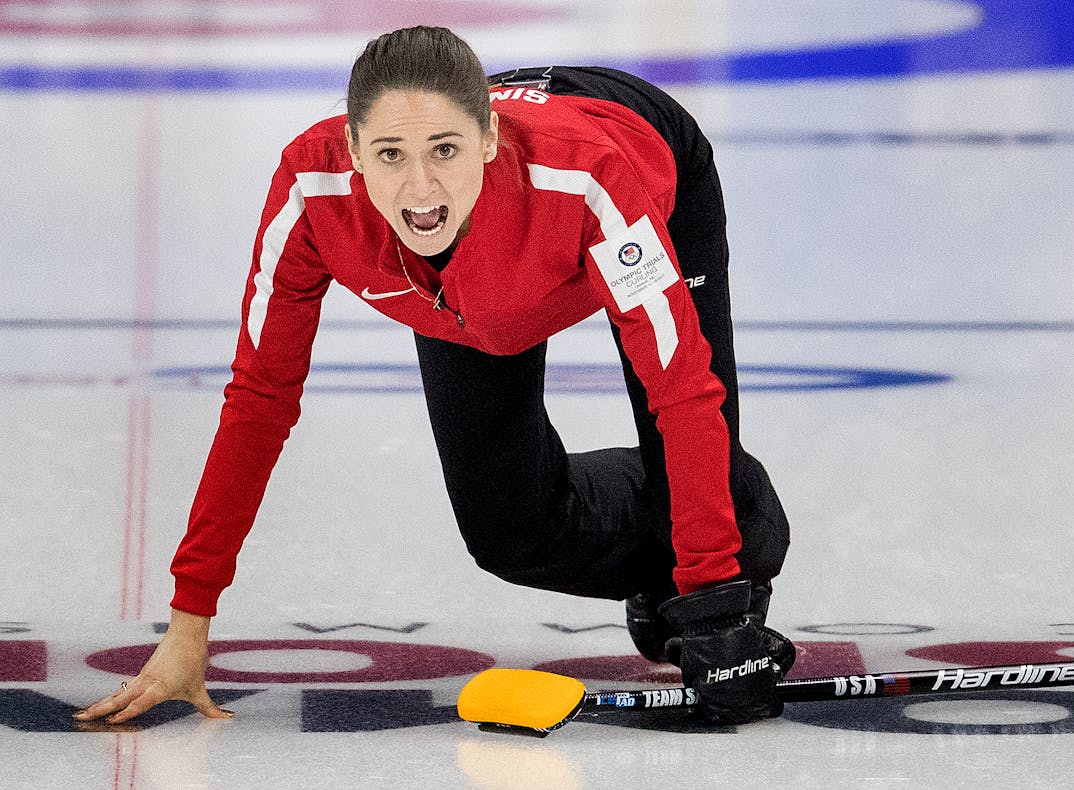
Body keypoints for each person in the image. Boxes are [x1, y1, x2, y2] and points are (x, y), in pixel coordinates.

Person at [76, 25, 792, 727]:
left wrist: (713, 602)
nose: (420, 188)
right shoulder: (310, 193)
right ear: (352, 150)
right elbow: (259, 400)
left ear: (487, 139)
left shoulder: (589, 180)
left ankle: (729, 515)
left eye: (444, 150)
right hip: (475, 288)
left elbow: (680, 390)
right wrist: (188, 624)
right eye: (389, 154)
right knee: (508, 533)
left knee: (705, 479)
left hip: (637, 159)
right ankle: (668, 548)